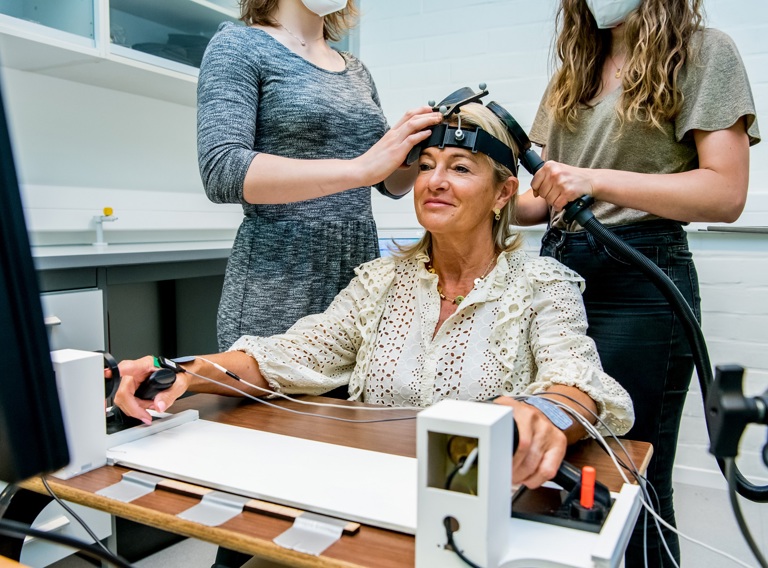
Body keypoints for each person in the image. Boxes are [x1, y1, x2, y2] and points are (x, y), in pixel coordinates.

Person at [116, 102, 634, 496]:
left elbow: (576, 381)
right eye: (426, 165)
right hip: (369, 491)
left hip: (471, 503)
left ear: (503, 194)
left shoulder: (542, 283)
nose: (434, 181)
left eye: (460, 168)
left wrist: (541, 414)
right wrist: (182, 371)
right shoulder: (379, 282)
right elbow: (289, 355)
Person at [515, 1, 760, 565]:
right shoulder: (575, 69)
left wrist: (595, 181)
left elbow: (725, 193)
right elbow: (543, 199)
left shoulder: (703, 52)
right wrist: (475, 191)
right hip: (557, 276)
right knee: (559, 463)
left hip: (641, 278)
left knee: (633, 473)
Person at [198, 0, 442, 351]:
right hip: (280, 282)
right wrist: (360, 168)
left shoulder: (356, 70)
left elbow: (387, 182)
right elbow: (222, 169)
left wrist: (417, 145)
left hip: (357, 274)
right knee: (271, 383)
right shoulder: (239, 46)